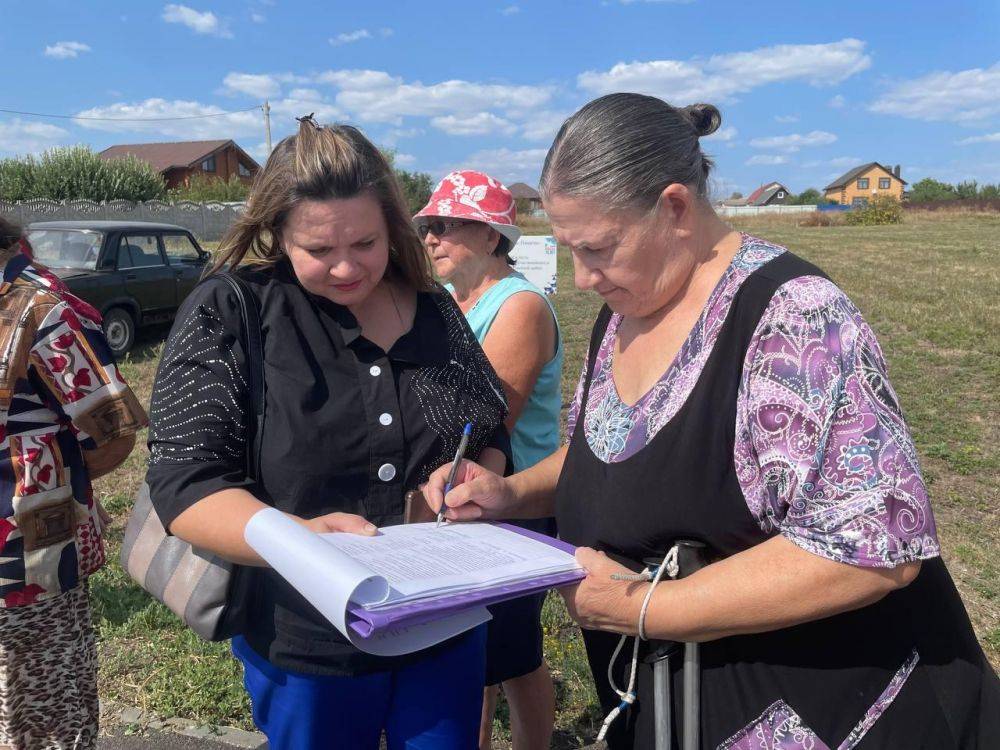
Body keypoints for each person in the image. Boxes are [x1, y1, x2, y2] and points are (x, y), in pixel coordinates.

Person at [426, 93, 1000, 749]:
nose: (581, 279)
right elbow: (608, 448)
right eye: (567, 250)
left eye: (598, 249)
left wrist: (645, 608)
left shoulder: (792, 318)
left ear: (673, 208)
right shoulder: (628, 307)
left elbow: (872, 552)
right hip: (680, 708)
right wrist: (512, 492)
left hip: (838, 717)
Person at [144, 117, 512, 750]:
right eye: (318, 250)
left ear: (393, 227)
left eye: (365, 244)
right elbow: (185, 480)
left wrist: (481, 475)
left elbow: (488, 423)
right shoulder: (235, 308)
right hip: (305, 637)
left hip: (441, 619)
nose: (347, 268)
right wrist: (296, 540)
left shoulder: (433, 306)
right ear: (278, 234)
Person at [415, 171, 562, 750]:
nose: (431, 238)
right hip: (468, 496)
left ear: (490, 234)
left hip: (514, 499)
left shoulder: (520, 306)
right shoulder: (454, 301)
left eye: (446, 225)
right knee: (472, 652)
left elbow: (489, 418)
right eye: (428, 226)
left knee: (515, 654)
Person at [0, 218, 148, 749]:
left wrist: (54, 483)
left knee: (40, 715)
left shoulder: (41, 313)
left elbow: (114, 430)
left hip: (24, 565)